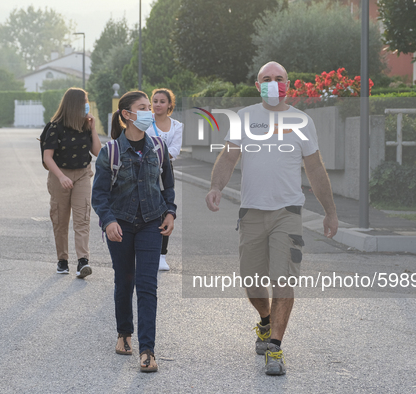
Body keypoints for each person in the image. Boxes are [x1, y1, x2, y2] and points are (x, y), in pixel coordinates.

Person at [205, 61, 338, 376]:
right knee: (251, 281)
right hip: (252, 213)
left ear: (288, 85)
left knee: (284, 280)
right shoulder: (245, 118)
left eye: (279, 79)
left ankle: (275, 348)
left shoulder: (301, 121)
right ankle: (265, 321)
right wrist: (215, 186)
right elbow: (228, 156)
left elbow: (315, 168)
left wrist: (330, 211)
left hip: (288, 214)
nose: (273, 83)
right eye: (267, 79)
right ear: (257, 84)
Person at [91, 90, 176, 372]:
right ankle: (123, 333)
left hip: (152, 222)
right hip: (121, 225)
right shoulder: (110, 151)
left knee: (147, 286)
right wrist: (109, 221)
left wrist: (171, 212)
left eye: (149, 107)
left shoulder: (159, 147)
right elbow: (99, 195)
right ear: (127, 115)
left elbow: (168, 185)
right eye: (142, 108)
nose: (149, 112)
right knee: (125, 281)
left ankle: (147, 350)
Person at [41, 88, 102, 277]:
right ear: (74, 104)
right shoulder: (55, 127)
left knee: (82, 218)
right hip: (60, 175)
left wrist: (93, 129)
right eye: (84, 100)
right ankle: (62, 260)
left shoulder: (85, 126)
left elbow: (98, 152)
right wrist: (61, 177)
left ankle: (83, 261)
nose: (87, 104)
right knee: (60, 220)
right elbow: (47, 157)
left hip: (82, 174)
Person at [146, 88, 183, 271]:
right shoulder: (145, 121)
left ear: (169, 104)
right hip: (144, 170)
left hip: (165, 171)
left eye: (162, 101)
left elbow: (175, 150)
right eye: (155, 101)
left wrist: (158, 155)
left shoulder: (177, 125)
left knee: (165, 209)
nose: (158, 104)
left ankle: (161, 255)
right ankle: (143, 252)